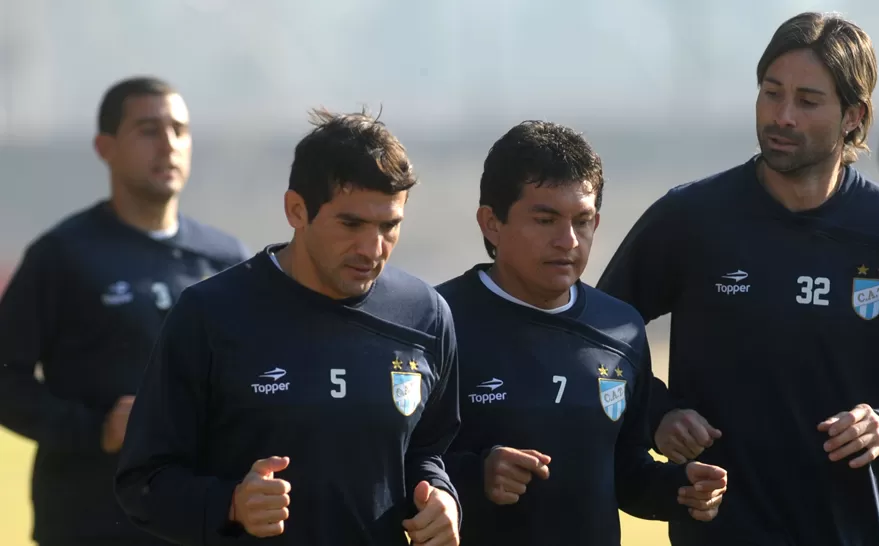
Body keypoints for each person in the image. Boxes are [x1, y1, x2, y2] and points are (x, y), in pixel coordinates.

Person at [596, 12, 879, 546]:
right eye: (771, 93)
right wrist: (656, 412)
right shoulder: (692, 218)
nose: (782, 116)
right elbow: (595, 337)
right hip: (719, 533)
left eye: (808, 101)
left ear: (853, 116)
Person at [114, 108, 461, 546]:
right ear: (296, 210)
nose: (373, 248)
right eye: (351, 224)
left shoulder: (426, 315)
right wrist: (232, 504)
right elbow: (143, 482)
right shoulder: (210, 314)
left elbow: (427, 451)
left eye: (389, 226)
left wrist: (443, 498)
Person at [437, 120, 728, 546]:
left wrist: (678, 488)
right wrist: (475, 476)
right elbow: (395, 465)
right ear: (491, 223)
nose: (568, 240)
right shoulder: (437, 322)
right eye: (545, 219)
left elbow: (624, 471)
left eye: (583, 221)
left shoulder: (620, 328)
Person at [0, 76, 248, 546]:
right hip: (88, 522)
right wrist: (95, 430)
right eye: (148, 130)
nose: (169, 144)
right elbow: (5, 380)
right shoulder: (62, 255)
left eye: (179, 129)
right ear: (105, 146)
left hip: (199, 520)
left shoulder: (227, 258)